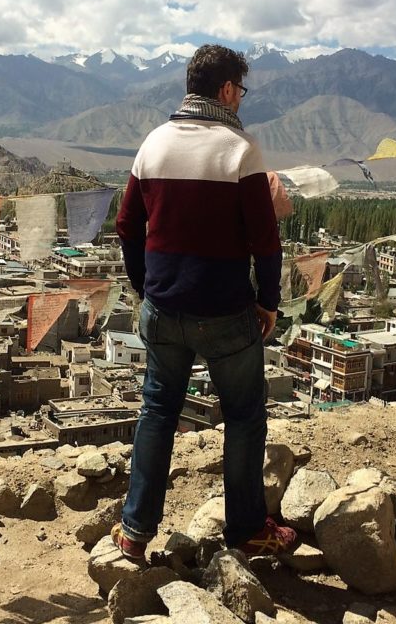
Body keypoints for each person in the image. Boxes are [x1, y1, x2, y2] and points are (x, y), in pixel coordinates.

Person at [112, 44, 296, 560]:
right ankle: (245, 529)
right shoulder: (240, 150)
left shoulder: (153, 144)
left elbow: (127, 225)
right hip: (226, 313)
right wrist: (269, 301)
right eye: (241, 89)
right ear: (225, 90)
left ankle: (134, 531)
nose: (241, 99)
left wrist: (147, 286)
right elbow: (265, 240)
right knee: (243, 416)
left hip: (164, 312)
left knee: (157, 412)